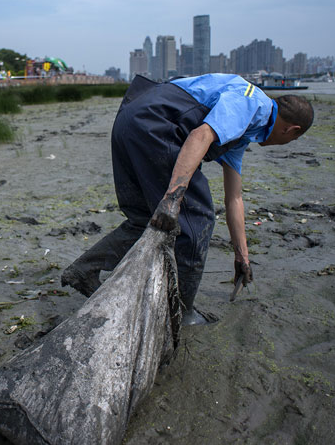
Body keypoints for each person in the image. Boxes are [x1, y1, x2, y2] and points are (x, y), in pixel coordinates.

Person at [61, 73, 314, 325]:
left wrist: (242, 256)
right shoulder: (251, 103)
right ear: (293, 130)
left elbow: (234, 199)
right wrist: (173, 197)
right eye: (292, 139)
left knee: (145, 219)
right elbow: (200, 136)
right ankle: (182, 312)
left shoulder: (245, 129)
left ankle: (85, 270)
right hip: (155, 127)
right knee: (197, 219)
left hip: (130, 120)